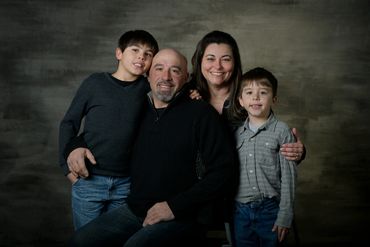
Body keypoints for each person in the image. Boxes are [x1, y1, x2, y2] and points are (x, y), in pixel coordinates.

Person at [67, 48, 236, 247]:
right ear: (148, 75)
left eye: (175, 70)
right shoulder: (137, 109)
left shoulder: (201, 114)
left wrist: (173, 207)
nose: (166, 77)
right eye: (159, 68)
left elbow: (224, 171)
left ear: (186, 78)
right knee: (80, 242)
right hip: (134, 209)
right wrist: (76, 145)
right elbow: (104, 134)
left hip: (182, 214)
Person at [58, 30, 159, 230]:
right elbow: (69, 123)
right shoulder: (95, 83)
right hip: (90, 179)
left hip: (126, 184)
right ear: (119, 53)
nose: (141, 56)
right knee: (88, 240)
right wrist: (66, 167)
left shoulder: (149, 90)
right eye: (135, 50)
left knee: (117, 238)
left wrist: (192, 92)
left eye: (148, 54)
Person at [191, 30, 305, 160]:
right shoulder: (188, 97)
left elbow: (271, 140)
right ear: (200, 61)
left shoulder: (249, 97)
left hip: (243, 179)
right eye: (210, 59)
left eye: (226, 59)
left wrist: (296, 151)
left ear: (235, 63)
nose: (218, 66)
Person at [229, 67, 297, 246]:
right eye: (249, 92)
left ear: (274, 99)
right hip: (240, 211)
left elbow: (289, 177)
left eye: (263, 92)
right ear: (241, 101)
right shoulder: (236, 135)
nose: (256, 97)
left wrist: (285, 214)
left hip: (270, 210)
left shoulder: (282, 131)